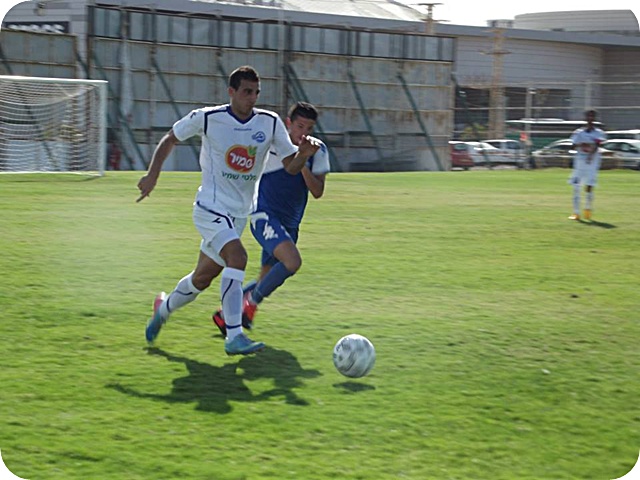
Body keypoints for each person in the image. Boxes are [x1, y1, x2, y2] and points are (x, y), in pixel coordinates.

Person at [136, 66, 320, 355]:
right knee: (238, 257)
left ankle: (163, 308)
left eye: (256, 92)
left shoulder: (269, 123)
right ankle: (234, 336)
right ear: (231, 92)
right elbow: (170, 138)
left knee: (202, 278)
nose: (252, 98)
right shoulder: (209, 118)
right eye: (246, 92)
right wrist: (152, 175)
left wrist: (303, 156)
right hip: (209, 208)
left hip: (238, 216)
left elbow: (290, 167)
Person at [212, 101, 330, 336]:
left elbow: (317, 191)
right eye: (299, 126)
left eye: (309, 128)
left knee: (267, 279)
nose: (304, 133)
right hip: (263, 216)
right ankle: (250, 306)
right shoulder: (272, 144)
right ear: (288, 124)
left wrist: (303, 161)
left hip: (290, 224)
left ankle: (226, 315)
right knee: (292, 262)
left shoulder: (318, 150)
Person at [567, 109, 606, 221]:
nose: (590, 118)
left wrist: (591, 154)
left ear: (595, 118)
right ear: (585, 118)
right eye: (588, 116)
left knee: (589, 186)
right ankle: (576, 213)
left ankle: (587, 209)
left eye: (592, 116)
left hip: (592, 163)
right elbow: (572, 145)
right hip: (579, 162)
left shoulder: (599, 133)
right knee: (576, 186)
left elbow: (598, 145)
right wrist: (581, 144)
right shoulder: (578, 133)